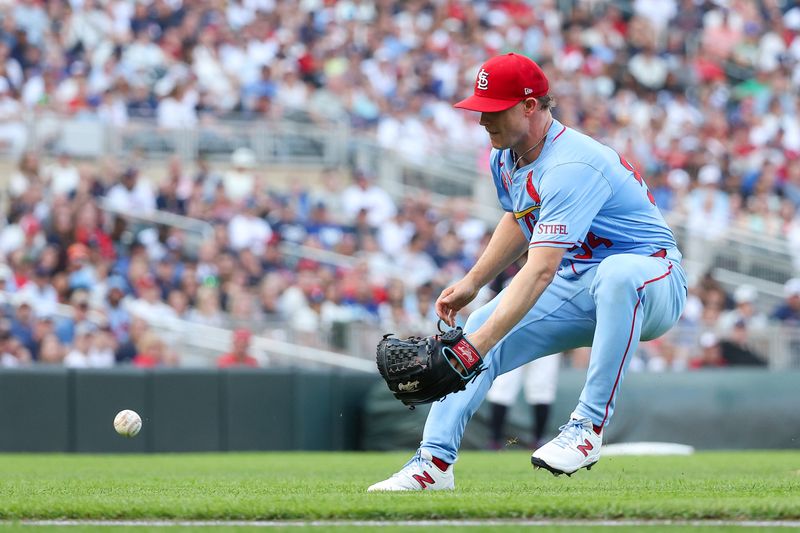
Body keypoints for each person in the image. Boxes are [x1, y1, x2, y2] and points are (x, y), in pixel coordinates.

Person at [367, 53, 687, 491]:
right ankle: (433, 465)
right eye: (480, 108)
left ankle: (588, 428)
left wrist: (474, 347)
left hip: (653, 279)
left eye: (494, 109)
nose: (483, 120)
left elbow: (539, 272)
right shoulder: (507, 155)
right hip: (580, 282)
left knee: (613, 277)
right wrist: (472, 283)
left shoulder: (572, 164)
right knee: (478, 327)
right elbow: (520, 218)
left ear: (530, 106)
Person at [486, 353, 561, 451]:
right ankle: (495, 440)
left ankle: (538, 440)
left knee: (542, 389)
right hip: (512, 339)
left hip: (546, 340)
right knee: (502, 387)